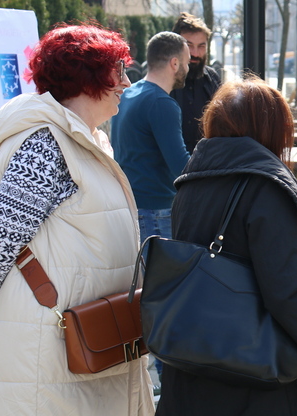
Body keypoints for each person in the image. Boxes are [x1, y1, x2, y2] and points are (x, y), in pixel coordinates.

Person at [0, 25, 163, 416]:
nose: (126, 83)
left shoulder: (81, 137)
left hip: (77, 344)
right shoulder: (46, 143)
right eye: (118, 71)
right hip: (48, 349)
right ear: (87, 77)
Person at [149, 77, 297, 416]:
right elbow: (285, 292)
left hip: (196, 368)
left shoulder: (190, 182)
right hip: (260, 379)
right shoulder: (268, 186)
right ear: (270, 128)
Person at [112, 31, 190, 391]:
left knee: (147, 294)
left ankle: (154, 374)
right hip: (158, 210)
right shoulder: (162, 103)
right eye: (186, 60)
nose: (188, 66)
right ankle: (166, 378)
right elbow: (180, 166)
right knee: (167, 297)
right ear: (174, 62)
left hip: (132, 206)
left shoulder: (130, 94)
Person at [171, 12, 222, 155]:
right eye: (189, 46)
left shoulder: (212, 79)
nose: (195, 53)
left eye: (201, 46)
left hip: (208, 162)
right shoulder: (165, 80)